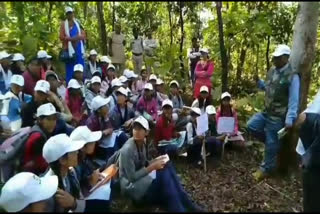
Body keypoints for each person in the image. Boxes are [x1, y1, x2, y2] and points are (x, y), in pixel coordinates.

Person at [118, 116, 202, 212]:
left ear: (147, 132)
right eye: (135, 128)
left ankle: (187, 202)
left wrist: (156, 161)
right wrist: (152, 166)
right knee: (163, 174)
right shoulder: (127, 149)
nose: (137, 131)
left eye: (140, 128)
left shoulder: (143, 142)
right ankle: (179, 208)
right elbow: (131, 177)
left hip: (141, 180)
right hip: (133, 188)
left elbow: (144, 163)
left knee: (166, 164)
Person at [247, 44, 300, 181]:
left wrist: (290, 118)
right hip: (266, 112)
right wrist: (260, 83)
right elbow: (269, 87)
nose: (274, 60)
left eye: (277, 57)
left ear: (285, 58)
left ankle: (265, 169)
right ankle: (274, 145)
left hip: (278, 116)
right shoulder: (272, 71)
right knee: (251, 125)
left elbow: (294, 99)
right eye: (274, 57)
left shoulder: (292, 76)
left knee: (271, 142)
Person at [42, 133, 110, 212]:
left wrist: (73, 203)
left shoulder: (71, 173)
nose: (77, 152)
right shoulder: (50, 189)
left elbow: (80, 200)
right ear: (62, 160)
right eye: (73, 151)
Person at [86, 96, 128, 162]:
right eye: (105, 106)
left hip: (105, 139)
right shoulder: (91, 121)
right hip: (98, 145)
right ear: (99, 110)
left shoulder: (104, 116)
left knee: (122, 136)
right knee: (114, 147)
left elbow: (110, 129)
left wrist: (106, 118)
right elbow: (89, 138)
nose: (107, 107)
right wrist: (102, 133)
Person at [22, 103, 57, 175]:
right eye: (49, 119)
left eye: (54, 119)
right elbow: (40, 164)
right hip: (32, 176)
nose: (53, 122)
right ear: (40, 120)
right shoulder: (38, 137)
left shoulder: (44, 131)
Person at [59, 6, 86, 84]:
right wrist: (71, 39)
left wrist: (78, 38)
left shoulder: (77, 23)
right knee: (70, 68)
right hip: (69, 50)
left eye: (71, 13)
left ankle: (81, 83)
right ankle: (70, 84)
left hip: (78, 49)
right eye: (68, 13)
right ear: (66, 15)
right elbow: (61, 37)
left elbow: (83, 35)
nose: (69, 15)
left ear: (73, 13)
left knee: (80, 66)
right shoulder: (63, 24)